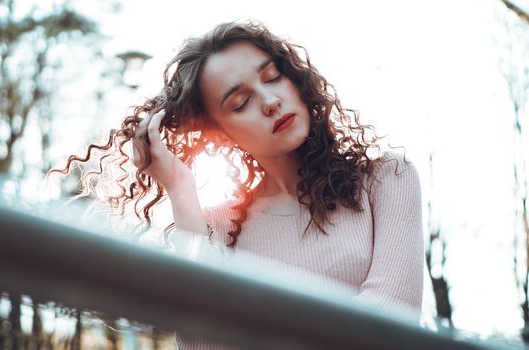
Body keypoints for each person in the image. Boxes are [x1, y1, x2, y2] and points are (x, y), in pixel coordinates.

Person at [51, 20, 423, 350]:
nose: (270, 101)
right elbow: (202, 345)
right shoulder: (215, 228)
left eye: (273, 76)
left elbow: (389, 318)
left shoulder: (386, 178)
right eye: (240, 101)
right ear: (221, 133)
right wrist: (181, 191)